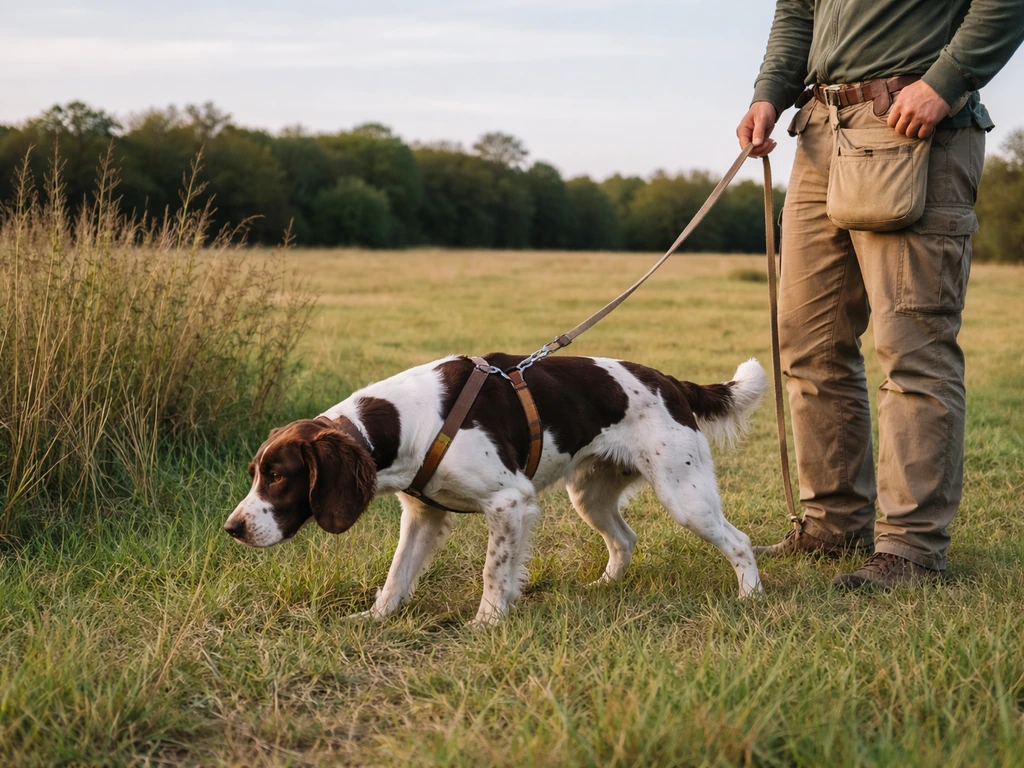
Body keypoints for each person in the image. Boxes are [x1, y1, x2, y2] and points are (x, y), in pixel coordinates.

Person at [737, 1, 1024, 589]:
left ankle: (912, 549)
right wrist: (769, 94)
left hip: (914, 129)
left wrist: (946, 82)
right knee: (807, 343)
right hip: (819, 131)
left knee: (913, 346)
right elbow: (796, 12)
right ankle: (833, 523)